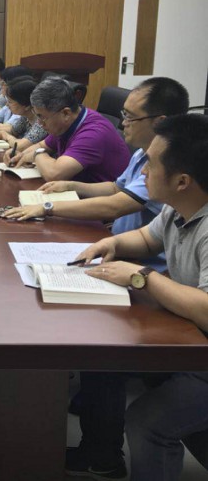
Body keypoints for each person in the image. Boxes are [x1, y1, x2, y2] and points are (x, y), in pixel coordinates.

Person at [64, 113, 208, 480]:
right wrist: (111, 244)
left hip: (201, 352)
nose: (142, 171)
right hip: (189, 338)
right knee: (102, 359)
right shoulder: (179, 206)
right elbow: (146, 238)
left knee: (147, 423)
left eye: (151, 164)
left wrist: (140, 277)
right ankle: (102, 456)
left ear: (182, 181)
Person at [1, 78, 189, 260]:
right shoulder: (142, 152)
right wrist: (72, 186)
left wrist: (47, 207)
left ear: (159, 122)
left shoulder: (168, 166)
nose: (123, 123)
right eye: (123, 114)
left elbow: (114, 206)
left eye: (130, 117)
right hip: (117, 242)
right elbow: (116, 188)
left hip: (137, 258)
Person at [4, 76, 130, 183]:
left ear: (65, 113)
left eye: (42, 117)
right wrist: (19, 155)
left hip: (100, 199)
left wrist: (37, 154)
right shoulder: (66, 122)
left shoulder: (93, 133)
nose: (39, 123)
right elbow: (42, 145)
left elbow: (54, 174)